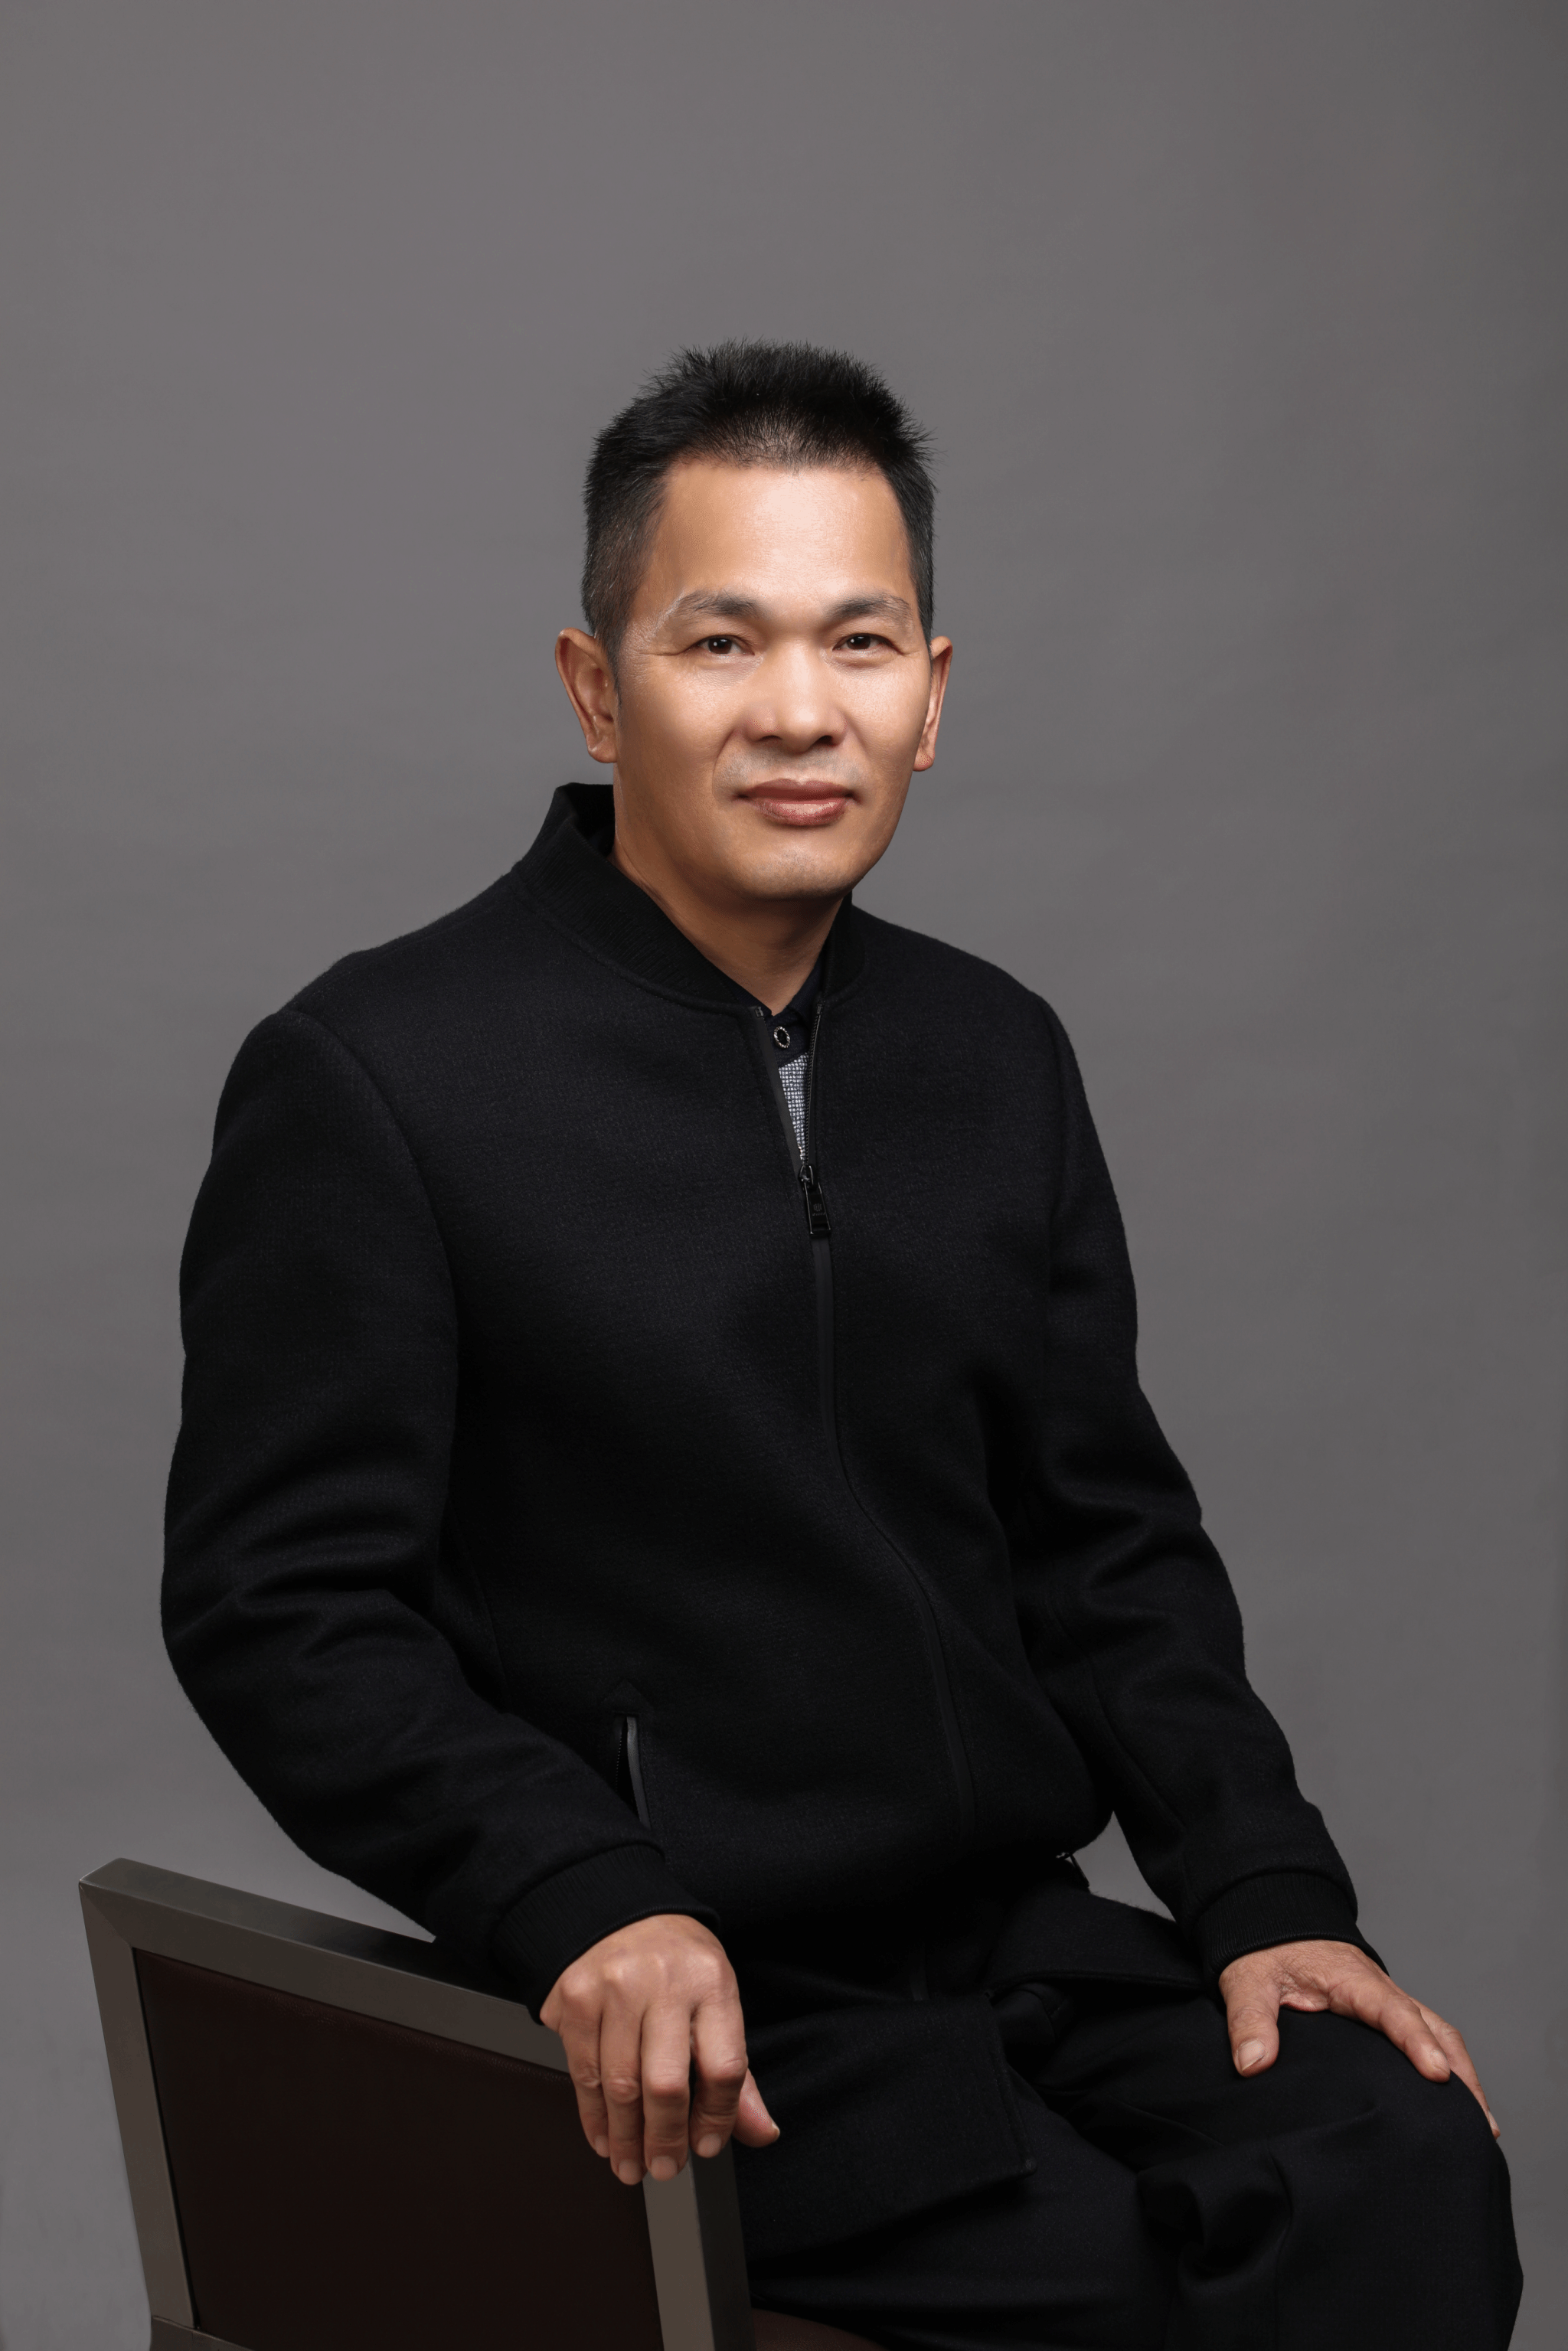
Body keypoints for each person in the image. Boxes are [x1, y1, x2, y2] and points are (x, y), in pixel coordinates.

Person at [162, 341, 1521, 2349]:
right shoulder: (378, 1076)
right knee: (1134, 2291)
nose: (800, 710)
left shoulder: (994, 1056)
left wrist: (1266, 1894)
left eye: (859, 643)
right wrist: (580, 1892)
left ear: (931, 695)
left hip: (1014, 1943)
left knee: (1400, 2168)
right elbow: (282, 1603)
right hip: (702, 2000)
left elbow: (1107, 1548)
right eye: (723, 641)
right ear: (598, 686)